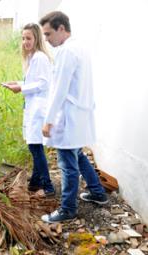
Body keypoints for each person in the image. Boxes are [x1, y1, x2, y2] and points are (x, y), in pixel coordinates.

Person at [38, 11, 108, 223]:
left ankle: (68, 208)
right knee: (77, 154)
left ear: (61, 29)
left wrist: (48, 120)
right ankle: (98, 193)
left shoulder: (66, 52)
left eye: (49, 34)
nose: (47, 40)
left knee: (68, 164)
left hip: (68, 116)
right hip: (80, 114)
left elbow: (59, 90)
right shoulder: (81, 47)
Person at [1, 23, 55, 197]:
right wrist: (18, 84)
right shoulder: (33, 57)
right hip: (34, 106)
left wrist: (21, 89)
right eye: (23, 38)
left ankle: (48, 186)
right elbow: (35, 81)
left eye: (29, 38)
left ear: (37, 38)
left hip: (39, 108)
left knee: (35, 146)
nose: (25, 41)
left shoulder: (39, 57)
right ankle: (35, 182)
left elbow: (44, 83)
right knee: (35, 145)